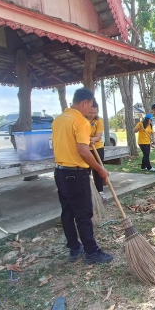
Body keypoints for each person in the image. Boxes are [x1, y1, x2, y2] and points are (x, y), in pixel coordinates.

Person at [52, 87, 113, 264]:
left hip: (60, 172)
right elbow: (83, 152)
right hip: (76, 174)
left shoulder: (58, 120)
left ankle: (74, 247)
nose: (90, 111)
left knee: (67, 211)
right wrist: (100, 169)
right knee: (84, 214)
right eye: (90, 106)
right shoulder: (80, 121)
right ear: (84, 102)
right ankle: (91, 252)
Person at [86, 101, 107, 200]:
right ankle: (88, 192)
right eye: (91, 112)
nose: (93, 115)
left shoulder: (99, 121)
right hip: (85, 148)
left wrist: (91, 139)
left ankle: (100, 191)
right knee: (86, 171)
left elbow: (98, 137)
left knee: (98, 169)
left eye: (95, 112)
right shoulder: (81, 120)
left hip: (97, 148)